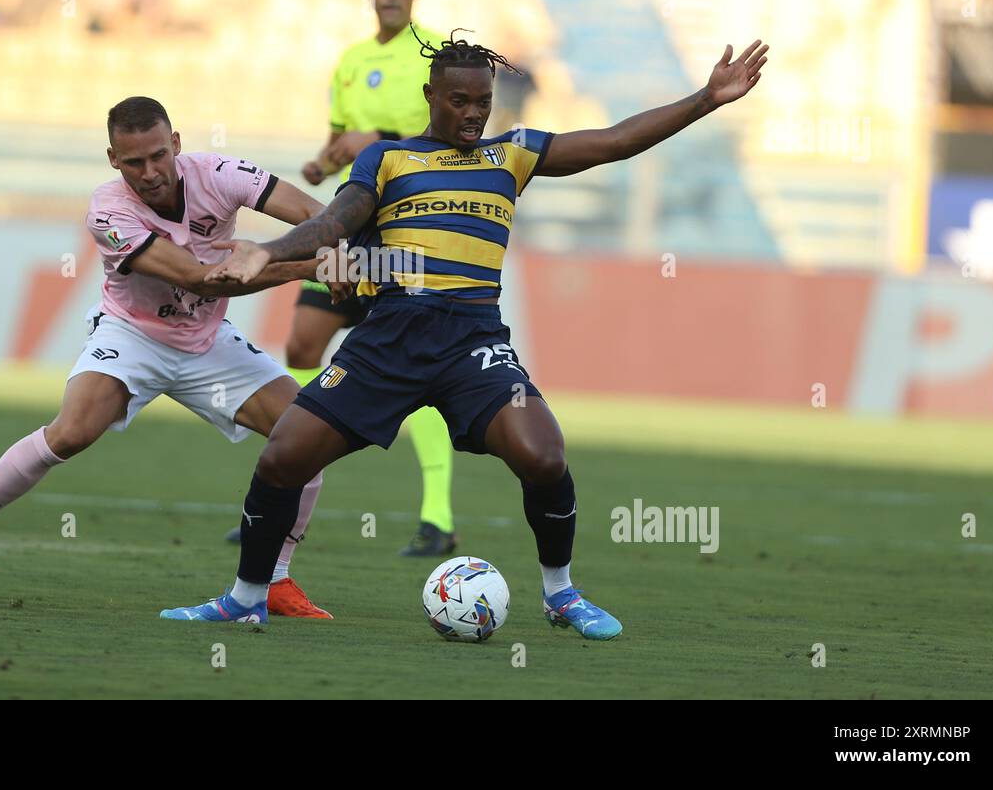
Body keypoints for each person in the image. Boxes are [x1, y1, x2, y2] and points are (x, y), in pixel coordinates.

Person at [162, 33, 769, 635]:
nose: (474, 113)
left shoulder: (513, 155)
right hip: (388, 341)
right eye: (460, 101)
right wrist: (266, 253)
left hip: (472, 343)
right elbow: (335, 221)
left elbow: (612, 143)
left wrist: (706, 99)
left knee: (544, 454)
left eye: (483, 101)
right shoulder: (389, 159)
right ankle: (246, 596)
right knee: (283, 457)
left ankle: (561, 594)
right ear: (432, 95)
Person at [0, 97, 341, 619]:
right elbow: (197, 276)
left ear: (175, 144)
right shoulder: (108, 211)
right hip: (133, 338)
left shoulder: (222, 173)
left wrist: (337, 251)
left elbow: (315, 215)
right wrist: (303, 267)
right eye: (133, 162)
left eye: (156, 157)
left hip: (207, 338)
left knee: (307, 438)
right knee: (72, 432)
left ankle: (275, 579)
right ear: (112, 159)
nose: (148, 173)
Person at [226, 0, 458, 557]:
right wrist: (324, 159)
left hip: (408, 236)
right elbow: (339, 143)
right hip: (351, 236)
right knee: (302, 343)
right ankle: (283, 486)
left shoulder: (437, 58)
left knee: (418, 375)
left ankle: (437, 516)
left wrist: (376, 139)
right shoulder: (350, 62)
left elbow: (450, 141)